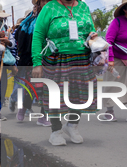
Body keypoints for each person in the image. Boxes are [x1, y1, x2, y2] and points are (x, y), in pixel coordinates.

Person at [32, 0, 99, 145]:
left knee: (80, 94)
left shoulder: (83, 6)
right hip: (57, 59)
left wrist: (94, 37)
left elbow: (91, 30)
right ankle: (55, 131)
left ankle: (72, 126)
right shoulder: (49, 7)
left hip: (82, 58)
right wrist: (37, 63)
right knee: (55, 96)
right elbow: (38, 35)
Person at [11, 0, 52, 126]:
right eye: (44, 0)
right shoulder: (31, 20)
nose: (47, 2)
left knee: (49, 89)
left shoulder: (55, 15)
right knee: (33, 88)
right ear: (39, 3)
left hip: (51, 58)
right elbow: (19, 37)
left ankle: (43, 116)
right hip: (33, 59)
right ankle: (23, 107)